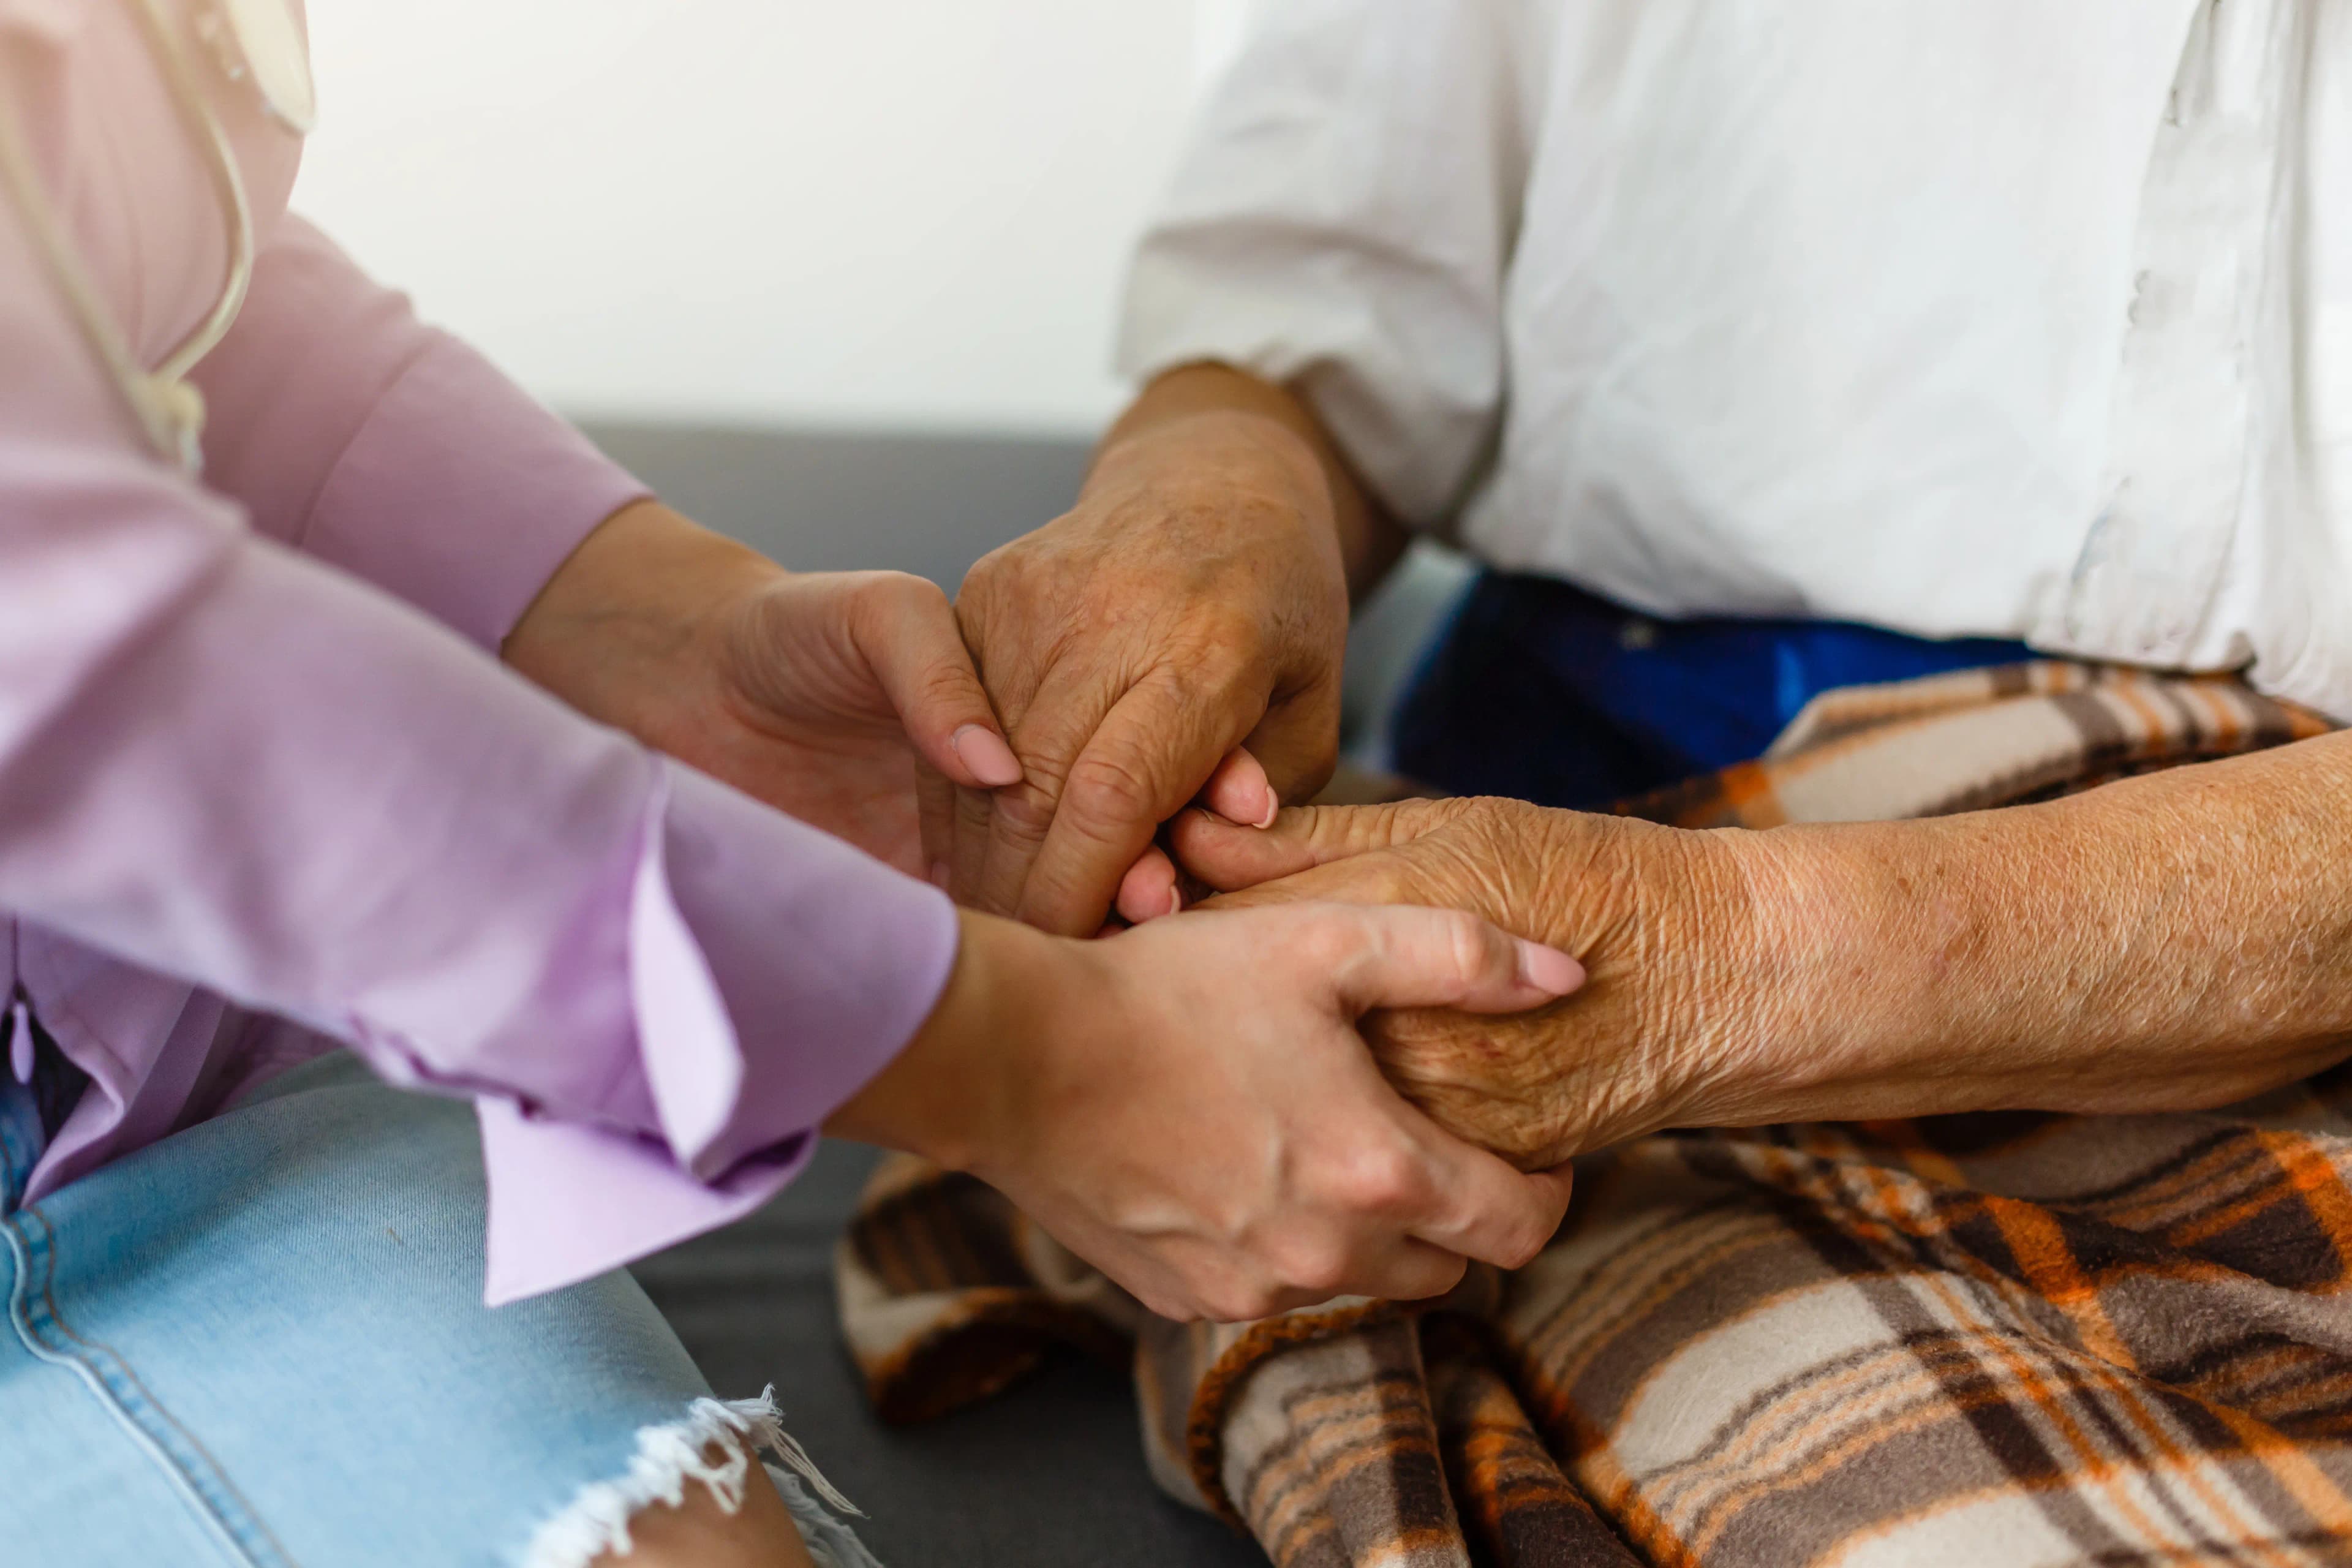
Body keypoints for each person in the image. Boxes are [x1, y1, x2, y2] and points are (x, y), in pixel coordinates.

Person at [0, 4, 1589, 1565]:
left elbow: (152, 290)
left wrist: (650, 622)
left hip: (164, 1086)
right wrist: (1042, 1062)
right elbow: (97, 672)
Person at [928, 1, 2352, 1553]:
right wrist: (1210, 483)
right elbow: (1318, 294)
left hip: (2253, 894)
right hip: (1600, 776)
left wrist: (1705, 965)